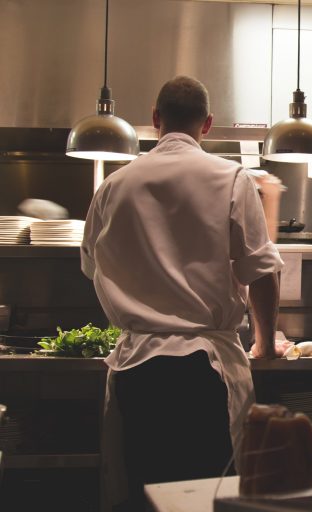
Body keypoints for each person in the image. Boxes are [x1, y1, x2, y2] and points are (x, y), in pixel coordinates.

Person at [80, 76, 284, 510]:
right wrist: (264, 343)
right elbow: (262, 271)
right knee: (208, 498)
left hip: (137, 369)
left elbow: (91, 267)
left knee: (147, 494)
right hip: (202, 373)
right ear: (207, 124)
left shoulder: (114, 185)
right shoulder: (230, 177)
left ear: (155, 120)